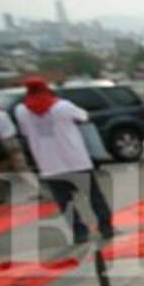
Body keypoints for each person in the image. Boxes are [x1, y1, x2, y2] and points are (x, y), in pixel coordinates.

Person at [14, 76, 114, 243]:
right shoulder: (62, 106)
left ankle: (79, 232)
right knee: (94, 196)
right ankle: (106, 227)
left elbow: (24, 132)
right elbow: (84, 117)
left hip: (49, 164)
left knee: (65, 201)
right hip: (76, 160)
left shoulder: (21, 110)